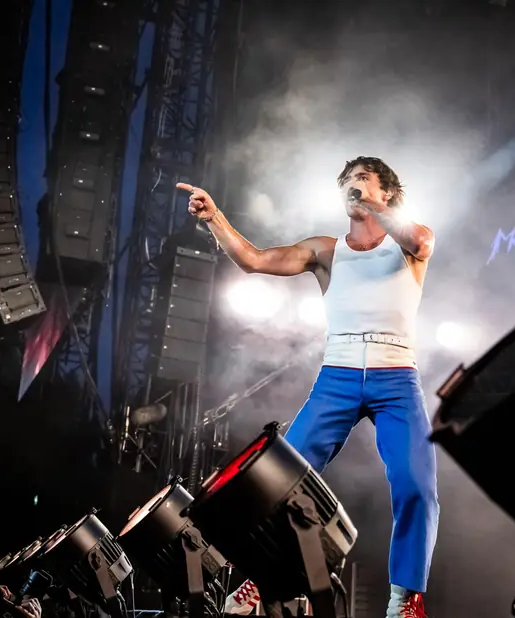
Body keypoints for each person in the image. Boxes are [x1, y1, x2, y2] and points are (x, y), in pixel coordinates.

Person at [179, 156, 439, 618]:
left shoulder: (410, 241)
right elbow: (254, 260)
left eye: (362, 180)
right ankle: (264, 582)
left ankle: (406, 600)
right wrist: (215, 217)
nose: (352, 188)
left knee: (416, 485)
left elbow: (418, 238)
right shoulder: (325, 250)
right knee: (273, 481)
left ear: (388, 193)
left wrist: (373, 208)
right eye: (346, 183)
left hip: (396, 376)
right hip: (336, 376)